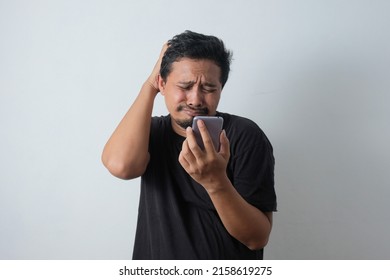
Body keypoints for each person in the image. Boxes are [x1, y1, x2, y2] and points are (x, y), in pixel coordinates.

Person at [102, 30, 277, 260]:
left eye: (209, 88)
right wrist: (148, 87)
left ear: (220, 90)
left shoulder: (244, 135)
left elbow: (256, 238)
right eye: (184, 86)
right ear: (162, 84)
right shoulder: (149, 133)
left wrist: (216, 182)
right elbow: (121, 167)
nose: (195, 99)